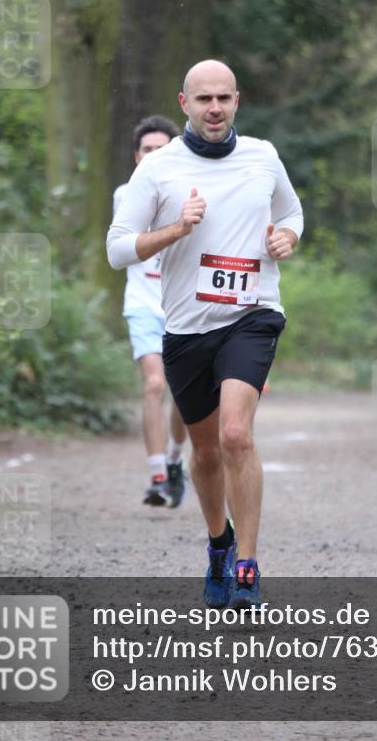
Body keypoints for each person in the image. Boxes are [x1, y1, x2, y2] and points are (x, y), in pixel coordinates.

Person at [107, 61, 303, 608]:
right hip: (188, 326)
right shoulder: (158, 170)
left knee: (236, 435)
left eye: (224, 98)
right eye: (203, 99)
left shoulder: (262, 155)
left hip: (253, 313)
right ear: (184, 103)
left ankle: (247, 564)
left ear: (237, 100)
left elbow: (291, 210)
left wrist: (286, 236)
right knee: (206, 452)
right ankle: (219, 542)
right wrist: (175, 229)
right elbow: (117, 247)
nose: (214, 108)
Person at [113, 115, 188, 508]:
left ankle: (176, 459)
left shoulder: (195, 194)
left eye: (162, 149)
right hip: (143, 305)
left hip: (185, 307)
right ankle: (158, 475)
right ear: (136, 156)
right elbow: (124, 246)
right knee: (155, 384)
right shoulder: (125, 195)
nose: (154, 155)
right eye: (147, 150)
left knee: (184, 396)